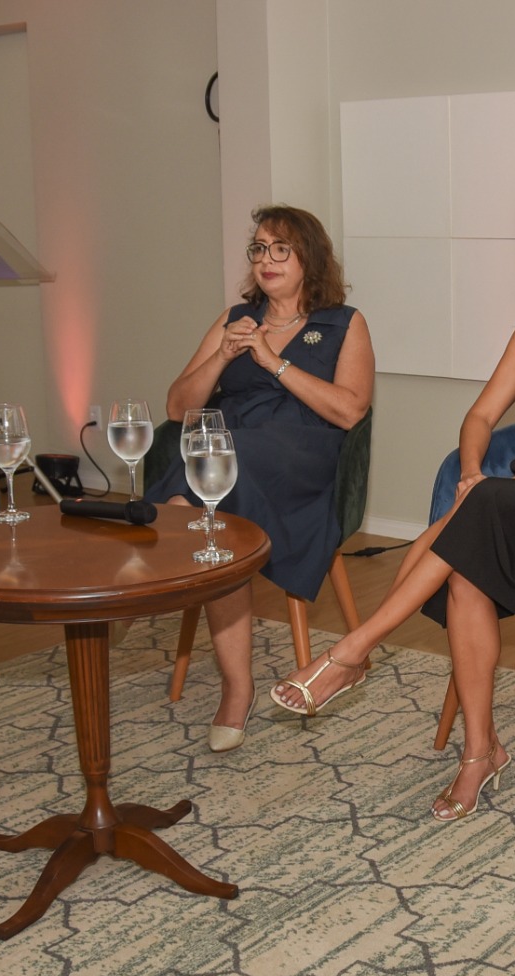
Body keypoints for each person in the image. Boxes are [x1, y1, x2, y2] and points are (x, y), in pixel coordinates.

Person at [269, 192, 515, 822]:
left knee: (480, 514)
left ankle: (353, 651)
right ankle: (479, 754)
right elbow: (480, 414)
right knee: (467, 566)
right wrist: (475, 472)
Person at [143, 205, 375, 752]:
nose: (266, 259)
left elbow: (349, 411)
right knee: (215, 498)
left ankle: (148, 574)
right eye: (259, 248)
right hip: (232, 448)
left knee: (217, 466)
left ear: (308, 258)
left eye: (281, 249)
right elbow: (178, 407)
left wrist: (273, 362)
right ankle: (236, 685)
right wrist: (222, 356)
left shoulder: (343, 322)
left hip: (303, 456)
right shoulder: (235, 319)